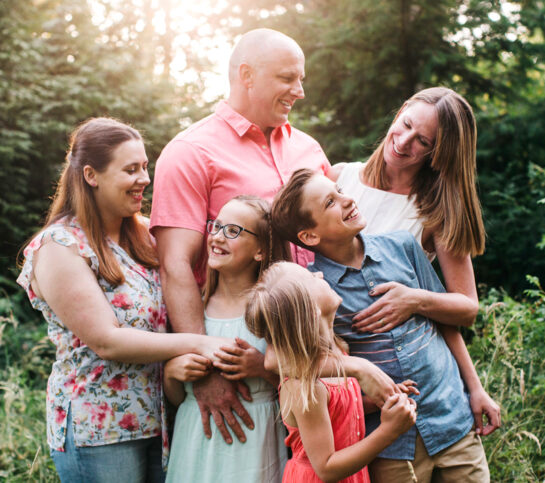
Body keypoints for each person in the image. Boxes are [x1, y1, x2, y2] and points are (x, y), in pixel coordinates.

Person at [149, 28, 391, 445]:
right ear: (246, 75)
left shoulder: (309, 150)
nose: (299, 91)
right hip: (234, 355)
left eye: (301, 79)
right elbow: (175, 265)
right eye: (287, 78)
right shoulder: (190, 151)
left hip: (314, 345)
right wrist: (205, 367)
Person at [16, 118, 230, 483]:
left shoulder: (146, 236)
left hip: (160, 419)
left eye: (145, 167)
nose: (144, 179)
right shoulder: (60, 247)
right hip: (100, 430)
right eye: (131, 170)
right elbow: (107, 340)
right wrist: (202, 343)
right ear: (91, 175)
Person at [271, 169, 491, 482]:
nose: (348, 200)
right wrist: (362, 378)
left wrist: (476, 389)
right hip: (389, 449)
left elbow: (446, 323)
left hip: (453, 421)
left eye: (340, 190)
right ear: (309, 236)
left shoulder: (402, 246)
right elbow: (295, 361)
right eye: (330, 202)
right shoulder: (314, 291)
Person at [329, 88, 500, 450]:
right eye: (405, 124)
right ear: (400, 111)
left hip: (417, 382)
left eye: (422, 141)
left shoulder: (431, 213)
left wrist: (414, 300)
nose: (403, 142)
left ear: (439, 154)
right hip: (353, 385)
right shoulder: (338, 179)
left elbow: (465, 308)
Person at [246, 262, 418, 483]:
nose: (319, 273)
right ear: (312, 311)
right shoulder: (305, 387)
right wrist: (389, 431)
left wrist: (379, 403)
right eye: (311, 278)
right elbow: (326, 467)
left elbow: (337, 414)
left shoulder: (337, 351)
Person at [163, 196, 290, 482]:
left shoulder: (271, 311)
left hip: (254, 442)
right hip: (195, 438)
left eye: (233, 231)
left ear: (260, 251)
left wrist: (262, 369)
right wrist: (172, 373)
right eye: (216, 226)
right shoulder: (194, 309)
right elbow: (177, 396)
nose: (217, 237)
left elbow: (302, 388)